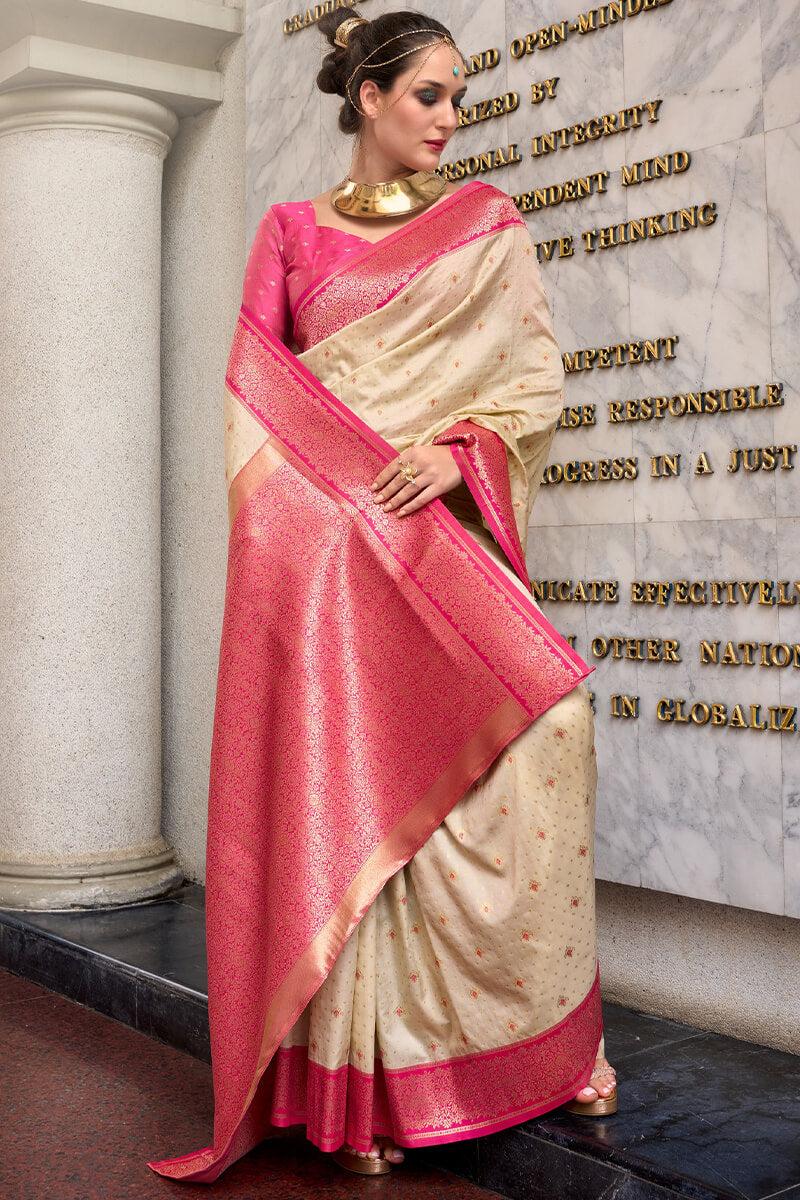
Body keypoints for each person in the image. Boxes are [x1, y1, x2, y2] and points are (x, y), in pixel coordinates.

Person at [150, 8, 616, 1184]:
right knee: (351, 778)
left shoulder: (486, 228)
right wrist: (327, 508)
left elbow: (531, 382)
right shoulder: (291, 233)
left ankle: (538, 1042)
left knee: (549, 727)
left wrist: (461, 449)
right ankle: (369, 1080)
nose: (452, 121)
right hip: (325, 557)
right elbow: (253, 405)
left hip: (434, 538)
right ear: (366, 99)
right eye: (429, 97)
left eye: (458, 97)